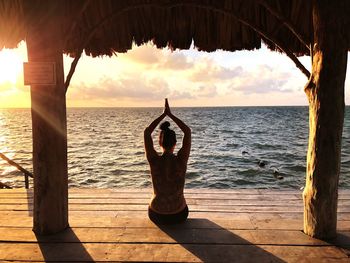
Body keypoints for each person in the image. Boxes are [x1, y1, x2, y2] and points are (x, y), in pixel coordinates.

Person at [144, 98, 191, 224]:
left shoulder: (153, 160)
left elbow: (147, 132)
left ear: (159, 142)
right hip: (179, 214)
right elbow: (187, 131)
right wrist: (170, 114)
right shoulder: (182, 159)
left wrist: (163, 114)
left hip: (156, 214)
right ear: (175, 143)